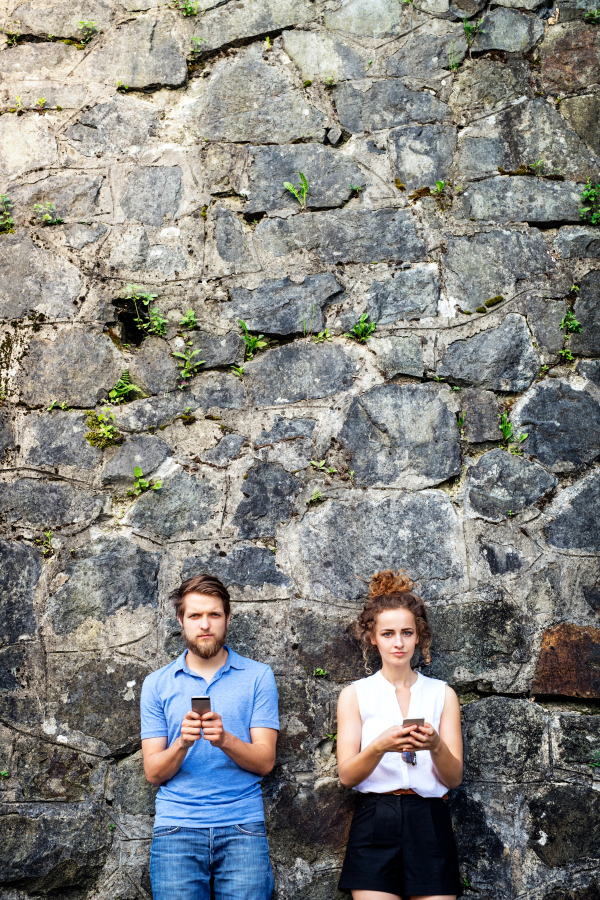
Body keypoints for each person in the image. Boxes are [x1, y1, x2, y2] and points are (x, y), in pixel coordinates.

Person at [140, 573, 279, 900]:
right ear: (181, 621)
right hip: (176, 829)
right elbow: (153, 772)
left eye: (214, 615)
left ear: (227, 619)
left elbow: (265, 762)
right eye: (195, 615)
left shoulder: (259, 677)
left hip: (242, 827)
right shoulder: (157, 684)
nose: (205, 624)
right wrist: (182, 744)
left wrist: (224, 740)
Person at [336, 569, 463, 900]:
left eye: (407, 633)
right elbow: (347, 776)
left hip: (430, 818)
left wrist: (435, 745)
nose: (398, 642)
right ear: (373, 638)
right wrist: (379, 746)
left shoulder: (442, 695)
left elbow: (454, 777)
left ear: (418, 636)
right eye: (388, 633)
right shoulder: (355, 695)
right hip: (375, 816)